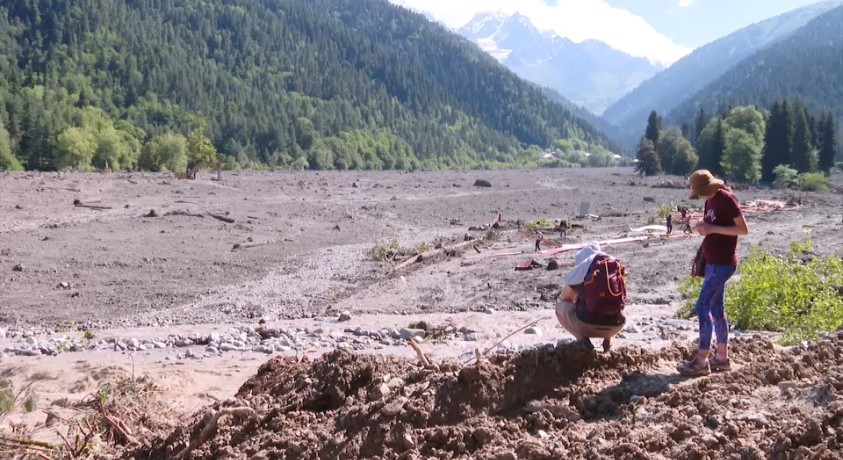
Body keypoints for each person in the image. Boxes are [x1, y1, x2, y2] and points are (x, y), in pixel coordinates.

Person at [678, 170, 749, 377]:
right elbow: (713, 226)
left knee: (702, 306)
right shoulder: (710, 201)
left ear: (709, 187)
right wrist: (705, 228)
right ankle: (721, 358)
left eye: (701, 192)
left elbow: (743, 229)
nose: (700, 196)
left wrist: (712, 228)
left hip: (723, 263)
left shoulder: (726, 199)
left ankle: (701, 361)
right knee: (717, 309)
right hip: (712, 262)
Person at [555, 243, 625, 353]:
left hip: (587, 324)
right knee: (611, 304)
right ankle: (608, 340)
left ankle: (583, 341)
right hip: (617, 325)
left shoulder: (582, 270)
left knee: (560, 307)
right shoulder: (613, 268)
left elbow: (566, 298)